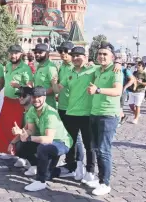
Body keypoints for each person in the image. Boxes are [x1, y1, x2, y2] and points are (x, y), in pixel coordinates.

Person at [12, 86, 72, 191]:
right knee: (20, 145)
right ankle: (41, 167)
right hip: (46, 142)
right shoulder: (31, 111)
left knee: (43, 148)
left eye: (39, 96)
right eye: (34, 97)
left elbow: (49, 139)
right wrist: (21, 132)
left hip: (60, 143)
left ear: (44, 97)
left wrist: (29, 138)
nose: (36, 99)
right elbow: (31, 130)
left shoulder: (50, 113)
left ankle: (41, 181)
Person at [52, 46, 96, 183]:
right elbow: (58, 89)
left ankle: (90, 171)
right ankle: (76, 167)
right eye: (74, 55)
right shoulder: (69, 72)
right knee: (71, 143)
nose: (76, 58)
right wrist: (54, 83)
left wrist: (118, 63)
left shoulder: (93, 70)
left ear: (85, 56)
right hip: (71, 113)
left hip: (87, 113)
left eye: (79, 55)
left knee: (89, 145)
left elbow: (109, 68)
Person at [86, 43, 123, 195]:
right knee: (96, 147)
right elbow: (87, 65)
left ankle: (105, 183)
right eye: (99, 53)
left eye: (105, 54)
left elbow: (117, 91)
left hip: (108, 115)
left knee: (104, 150)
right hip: (95, 113)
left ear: (112, 57)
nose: (101, 56)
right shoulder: (98, 69)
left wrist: (98, 90)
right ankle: (100, 178)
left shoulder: (115, 71)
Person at [32, 43, 58, 109]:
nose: (37, 54)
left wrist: (40, 93)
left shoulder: (50, 67)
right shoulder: (39, 66)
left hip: (48, 106)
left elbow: (55, 88)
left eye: (40, 52)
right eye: (35, 52)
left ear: (47, 53)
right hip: (38, 105)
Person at [117, 59, 134, 126]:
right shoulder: (111, 68)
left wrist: (125, 87)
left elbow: (132, 79)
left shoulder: (124, 70)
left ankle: (120, 119)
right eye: (115, 62)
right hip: (115, 89)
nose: (116, 64)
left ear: (121, 63)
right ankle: (122, 116)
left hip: (122, 91)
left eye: (118, 62)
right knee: (117, 106)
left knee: (120, 106)